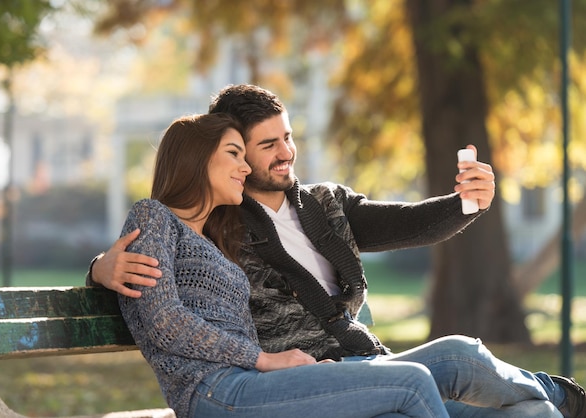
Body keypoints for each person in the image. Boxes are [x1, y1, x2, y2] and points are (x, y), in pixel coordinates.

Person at [90, 85, 585, 418]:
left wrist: (467, 204)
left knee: (518, 399)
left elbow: (410, 223)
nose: (285, 152)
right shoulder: (224, 220)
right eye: (262, 146)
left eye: (288, 137)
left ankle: (563, 393)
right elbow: (158, 272)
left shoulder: (325, 204)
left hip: (360, 362)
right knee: (423, 384)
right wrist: (98, 268)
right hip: (296, 377)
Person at [117, 112, 452, 418]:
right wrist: (264, 360)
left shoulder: (213, 238)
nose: (246, 168)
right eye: (234, 154)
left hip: (250, 383)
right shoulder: (153, 215)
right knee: (412, 381)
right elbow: (164, 320)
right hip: (212, 390)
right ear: (196, 158)